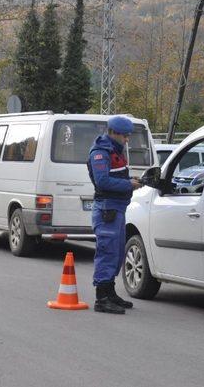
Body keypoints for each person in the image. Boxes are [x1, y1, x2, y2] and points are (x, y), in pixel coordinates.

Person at [87, 116, 142, 314]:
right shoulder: (100, 152)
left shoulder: (114, 150)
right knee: (107, 252)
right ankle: (101, 298)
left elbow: (115, 176)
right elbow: (102, 181)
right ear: (114, 133)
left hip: (117, 208)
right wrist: (129, 185)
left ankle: (110, 293)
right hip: (106, 210)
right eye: (125, 136)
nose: (127, 140)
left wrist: (130, 180)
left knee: (116, 252)